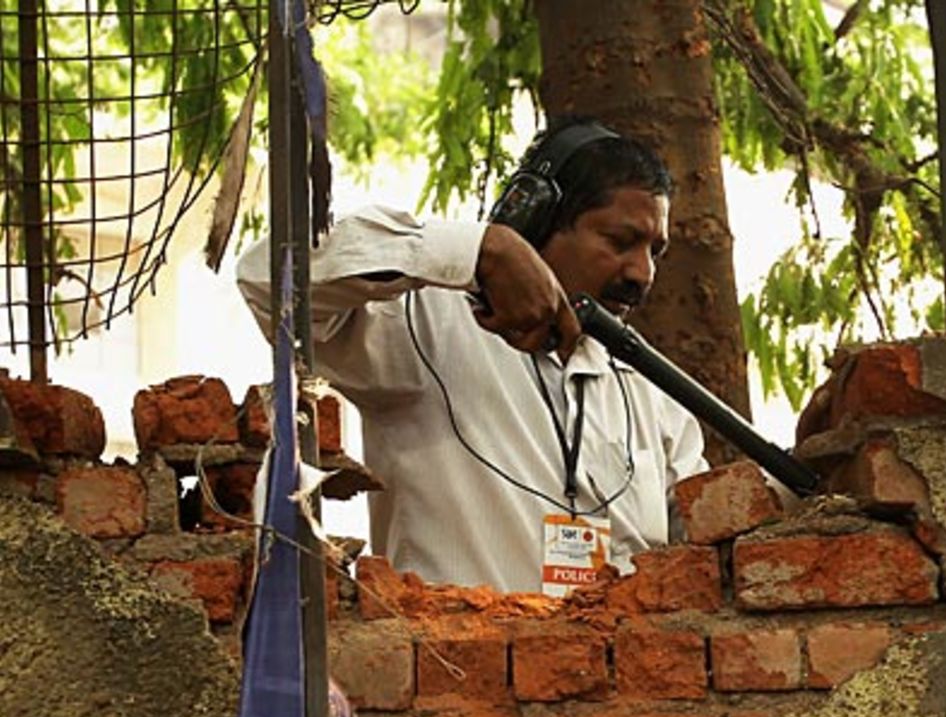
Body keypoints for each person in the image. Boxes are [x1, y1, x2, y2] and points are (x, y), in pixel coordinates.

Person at [237, 117, 707, 594]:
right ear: (537, 221)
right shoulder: (419, 327)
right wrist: (480, 250)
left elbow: (708, 540)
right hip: (458, 665)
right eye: (621, 242)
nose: (642, 274)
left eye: (656, 252)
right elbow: (267, 276)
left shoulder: (653, 400)